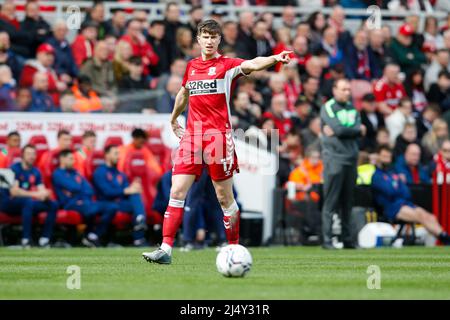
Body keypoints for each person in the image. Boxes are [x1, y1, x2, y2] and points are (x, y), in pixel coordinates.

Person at [142, 19, 292, 264]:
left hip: (218, 139)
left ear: (219, 40)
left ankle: (233, 247)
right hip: (192, 138)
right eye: (205, 36)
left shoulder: (227, 65)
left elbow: (252, 64)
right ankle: (166, 248)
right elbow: (184, 93)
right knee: (177, 190)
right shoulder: (191, 67)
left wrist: (275, 58)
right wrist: (173, 119)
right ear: (198, 40)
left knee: (224, 197)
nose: (209, 41)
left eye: (213, 37)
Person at [320, 78, 366, 249]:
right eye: (343, 89)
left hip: (351, 158)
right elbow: (347, 129)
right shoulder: (328, 107)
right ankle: (327, 240)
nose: (347, 92)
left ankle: (347, 240)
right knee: (331, 202)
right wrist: (354, 131)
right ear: (334, 90)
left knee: (347, 202)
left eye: (348, 89)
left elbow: (347, 129)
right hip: (334, 158)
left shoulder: (352, 107)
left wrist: (347, 131)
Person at [372, 145, 450, 245]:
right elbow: (389, 192)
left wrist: (396, 186)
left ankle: (443, 237)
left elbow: (406, 192)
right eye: (384, 157)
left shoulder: (392, 174)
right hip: (391, 208)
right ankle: (445, 238)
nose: (387, 160)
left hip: (404, 203)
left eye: (388, 157)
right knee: (420, 216)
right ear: (378, 157)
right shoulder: (377, 175)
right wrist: (397, 186)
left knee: (430, 216)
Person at [52, 149, 118, 247]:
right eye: (70, 159)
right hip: (70, 204)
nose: (73, 161)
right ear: (62, 159)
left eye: (74, 159)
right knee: (90, 210)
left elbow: (89, 189)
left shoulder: (76, 172)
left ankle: (93, 235)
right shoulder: (57, 174)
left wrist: (78, 192)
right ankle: (88, 235)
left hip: (86, 202)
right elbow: (73, 187)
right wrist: (78, 190)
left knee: (112, 207)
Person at [0, 144, 57, 248]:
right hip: (8, 202)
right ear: (22, 155)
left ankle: (44, 239)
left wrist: (46, 195)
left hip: (27, 204)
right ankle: (26, 240)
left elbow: (41, 189)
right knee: (28, 201)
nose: (32, 156)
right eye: (28, 154)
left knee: (53, 204)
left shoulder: (36, 171)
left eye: (34, 154)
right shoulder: (14, 168)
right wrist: (36, 194)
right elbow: (14, 192)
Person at [93, 145, 148, 247]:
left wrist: (134, 187)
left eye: (119, 154)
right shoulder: (100, 172)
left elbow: (127, 189)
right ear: (107, 155)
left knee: (135, 194)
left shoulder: (119, 173)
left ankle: (140, 219)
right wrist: (125, 190)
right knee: (135, 202)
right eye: (115, 154)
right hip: (106, 203)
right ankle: (139, 230)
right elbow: (107, 192)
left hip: (120, 203)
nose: (118, 157)